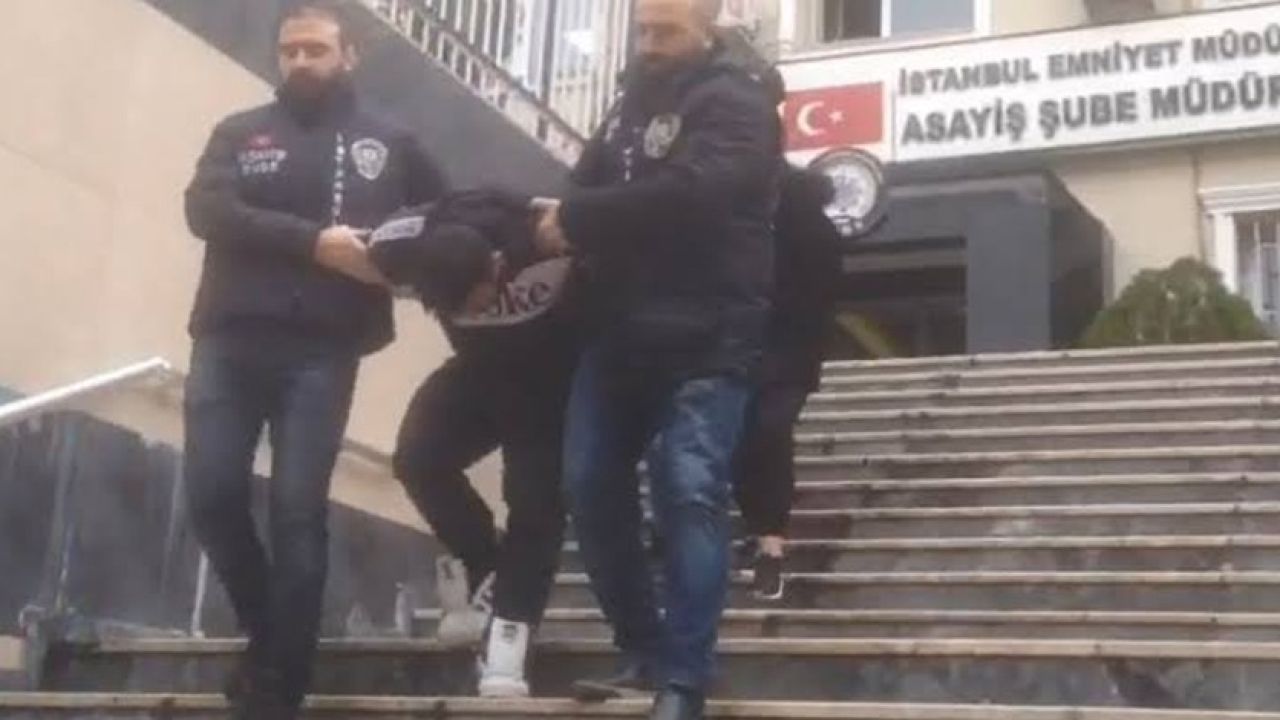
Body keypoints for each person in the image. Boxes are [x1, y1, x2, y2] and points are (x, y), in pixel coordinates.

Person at [181, 2, 446, 717]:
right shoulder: (240, 132)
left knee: (298, 511)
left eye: (316, 50)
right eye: (290, 50)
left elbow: (445, 219)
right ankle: (270, 634)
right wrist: (312, 242)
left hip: (323, 351)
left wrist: (403, 268)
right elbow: (206, 211)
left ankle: (281, 685)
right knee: (211, 496)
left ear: (349, 55)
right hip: (230, 340)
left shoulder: (390, 140)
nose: (300, 61)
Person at [533, 0, 782, 716]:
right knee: (587, 485)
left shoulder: (738, 102)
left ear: (707, 29)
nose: (648, 44)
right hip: (616, 331)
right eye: (643, 30)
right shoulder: (625, 107)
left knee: (689, 491)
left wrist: (579, 218)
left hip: (710, 332)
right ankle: (641, 651)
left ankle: (683, 680)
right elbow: (581, 185)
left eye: (665, 31)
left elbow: (695, 194)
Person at [367, 190, 580, 698]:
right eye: (456, 308)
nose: (473, 310)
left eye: (475, 298)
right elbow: (347, 249)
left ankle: (510, 637)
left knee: (533, 503)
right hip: (479, 373)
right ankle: (487, 564)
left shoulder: (537, 235)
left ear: (495, 266)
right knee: (418, 459)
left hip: (550, 381)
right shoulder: (397, 246)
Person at [736, 166, 842, 602]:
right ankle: (764, 537)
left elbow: (815, 302)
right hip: (770, 354)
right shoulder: (787, 232)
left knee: (765, 435)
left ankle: (769, 542)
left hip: (783, 355)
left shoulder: (805, 236)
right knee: (758, 437)